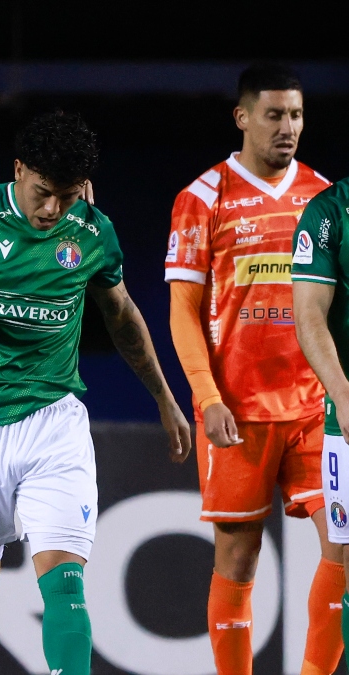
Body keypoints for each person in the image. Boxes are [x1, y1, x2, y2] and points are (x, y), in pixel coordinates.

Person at [0, 110, 191, 674]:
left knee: (66, 580)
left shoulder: (92, 231)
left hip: (55, 422)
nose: (53, 209)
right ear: (19, 169)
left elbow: (122, 316)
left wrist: (165, 398)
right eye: (43, 193)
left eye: (69, 197)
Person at [165, 63, 341, 674]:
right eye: (274, 115)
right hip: (236, 410)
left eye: (295, 115)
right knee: (237, 561)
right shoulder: (202, 198)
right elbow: (183, 310)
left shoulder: (324, 199)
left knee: (344, 546)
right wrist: (207, 396)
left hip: (318, 408)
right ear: (243, 117)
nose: (287, 127)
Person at [294, 174, 349, 673]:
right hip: (345, 421)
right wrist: (343, 392)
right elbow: (309, 313)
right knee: (345, 561)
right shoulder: (330, 213)